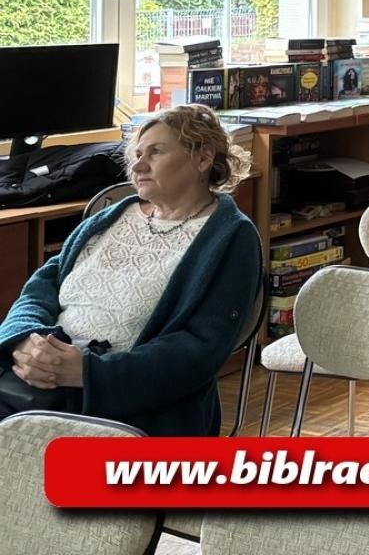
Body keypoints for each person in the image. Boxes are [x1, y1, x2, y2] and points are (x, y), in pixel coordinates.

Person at [0, 105, 260, 436]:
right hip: (40, 381)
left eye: (156, 152)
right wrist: (23, 341)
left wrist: (87, 373)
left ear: (203, 158)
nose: (138, 165)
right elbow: (42, 286)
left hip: (132, 405)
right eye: (137, 154)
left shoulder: (230, 236)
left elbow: (199, 351)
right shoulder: (113, 215)